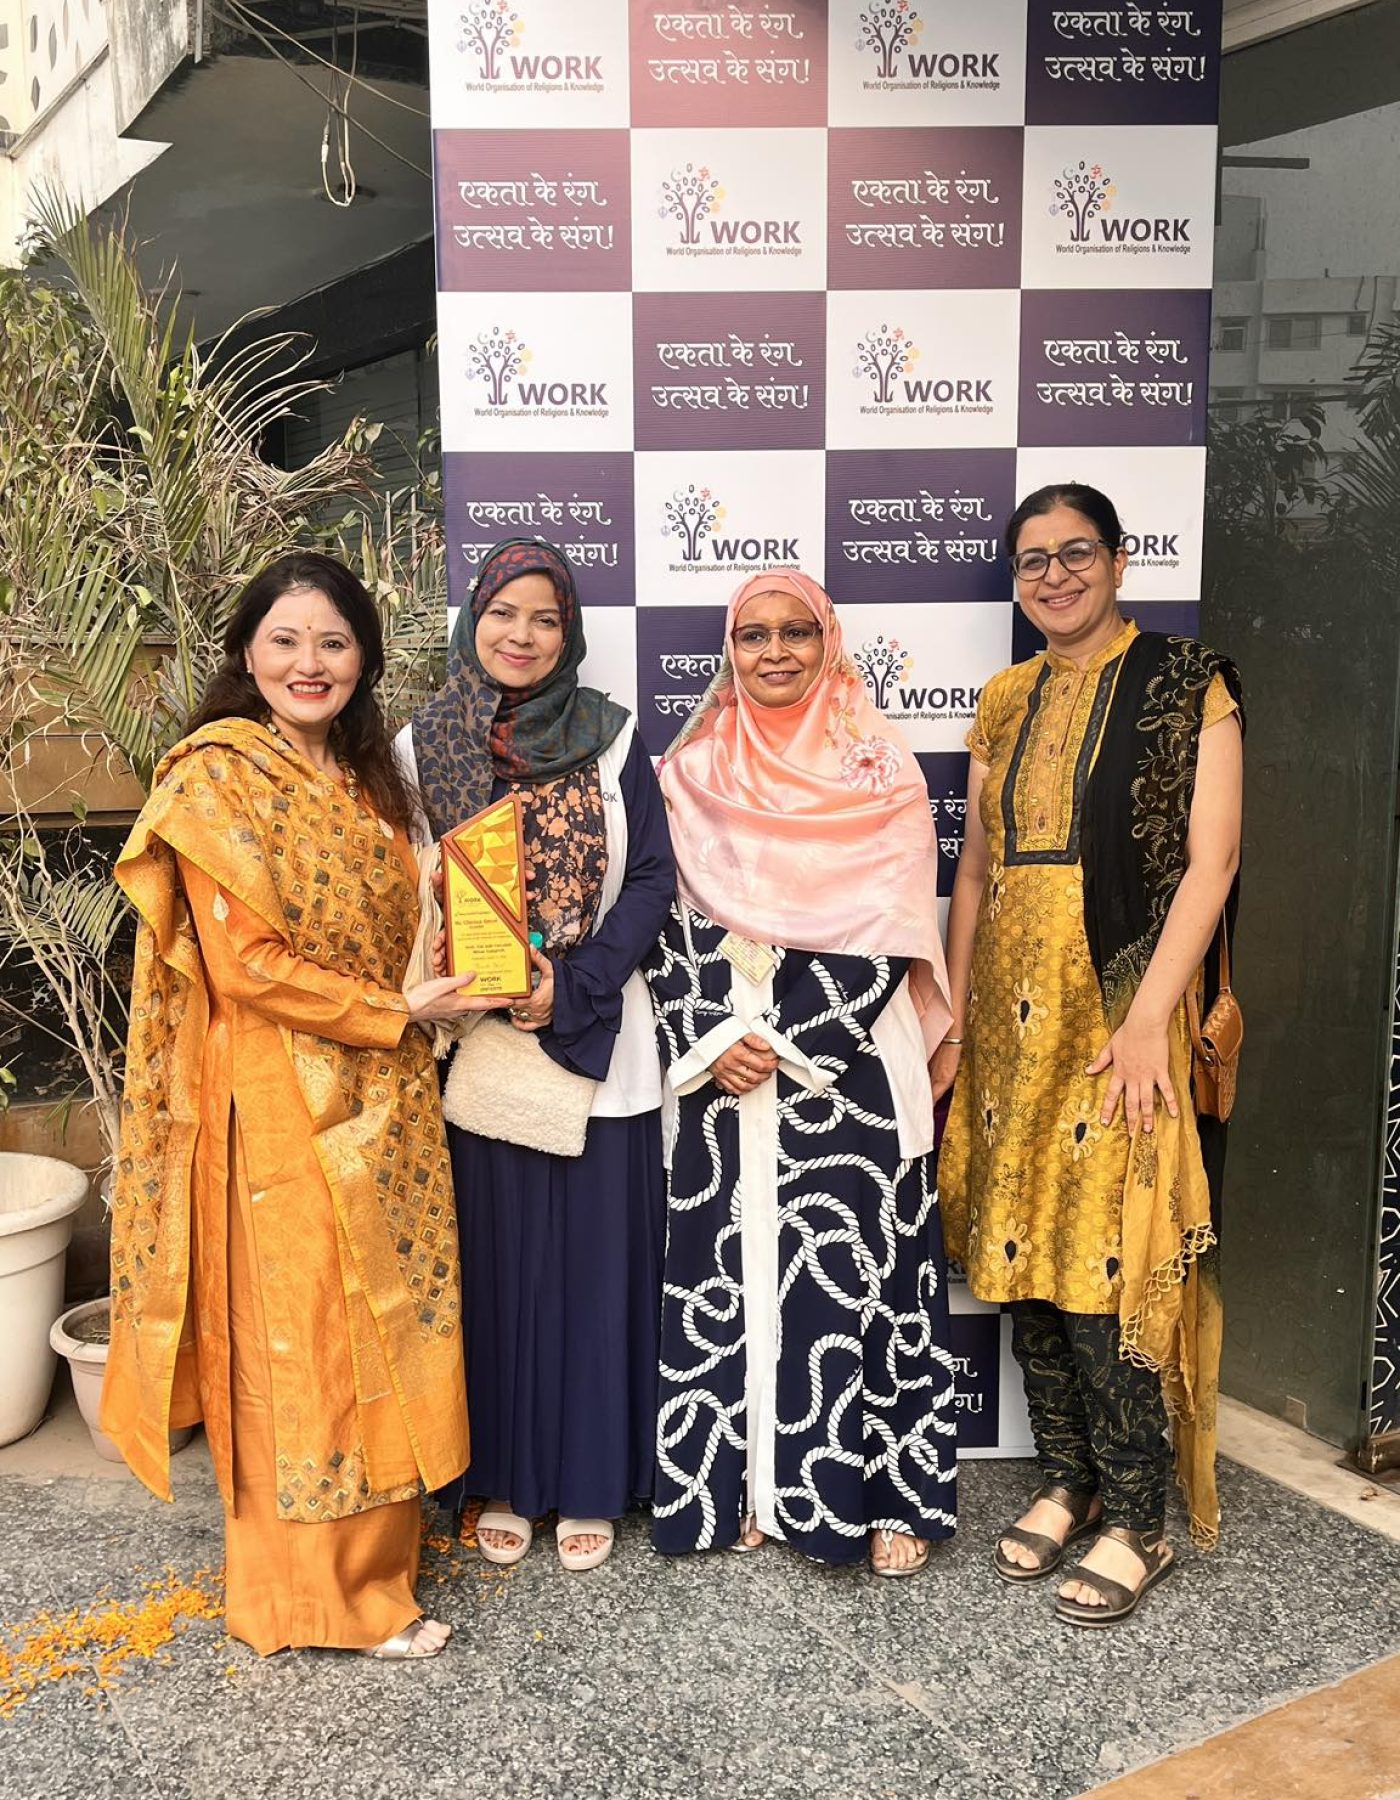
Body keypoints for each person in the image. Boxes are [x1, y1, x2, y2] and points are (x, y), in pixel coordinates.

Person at [103, 552, 487, 1661]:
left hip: (386, 1087)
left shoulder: (366, 779)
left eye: (332, 641)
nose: (308, 662)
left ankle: (374, 1572)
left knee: (380, 1323)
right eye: (285, 640)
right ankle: (309, 1601)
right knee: (305, 1336)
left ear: (363, 658)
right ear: (246, 653)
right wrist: (394, 1009)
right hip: (277, 1098)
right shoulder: (217, 779)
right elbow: (246, 969)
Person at [936, 483, 1244, 1627]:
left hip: (1119, 1013)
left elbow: (1211, 864)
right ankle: (1068, 1480)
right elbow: (975, 872)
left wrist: (1144, 1017)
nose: (1053, 575)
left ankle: (1137, 1516)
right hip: (1009, 1020)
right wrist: (956, 1020)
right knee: (1021, 1245)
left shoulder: (1185, 683)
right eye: (1032, 560)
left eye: (1075, 553)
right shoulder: (1004, 699)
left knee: (1106, 1254)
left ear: (1118, 560)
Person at [644, 569, 959, 1575]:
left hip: (846, 1064)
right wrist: (712, 1035)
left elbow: (895, 919)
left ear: (828, 644)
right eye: (753, 635)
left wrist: (790, 1039)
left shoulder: (879, 769)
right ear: (729, 650)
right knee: (724, 1278)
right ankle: (737, 1488)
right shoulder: (690, 769)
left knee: (856, 1274)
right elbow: (657, 910)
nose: (774, 652)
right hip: (720, 1069)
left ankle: (887, 1494)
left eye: (796, 632)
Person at [399, 537, 675, 1573]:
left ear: (570, 634)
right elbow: (403, 885)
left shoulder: (613, 736)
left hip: (598, 1034)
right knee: (498, 1275)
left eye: (545, 618)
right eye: (503, 613)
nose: (521, 635)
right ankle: (505, 1478)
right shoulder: (422, 744)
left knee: (597, 1274)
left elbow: (651, 878)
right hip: (478, 1051)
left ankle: (593, 1480)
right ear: (474, 618)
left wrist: (575, 980)